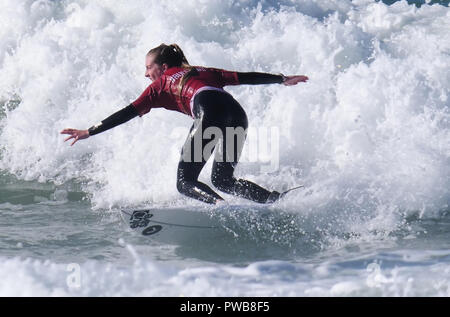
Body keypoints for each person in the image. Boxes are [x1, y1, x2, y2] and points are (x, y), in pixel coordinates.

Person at [61, 43, 308, 204]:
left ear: (164, 67)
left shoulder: (159, 86)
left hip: (209, 112)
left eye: (149, 67)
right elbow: (244, 77)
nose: (146, 74)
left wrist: (90, 131)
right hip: (236, 114)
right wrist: (281, 79)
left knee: (184, 181)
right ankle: (274, 200)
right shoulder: (202, 71)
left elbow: (126, 112)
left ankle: (220, 208)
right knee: (223, 180)